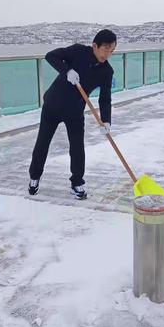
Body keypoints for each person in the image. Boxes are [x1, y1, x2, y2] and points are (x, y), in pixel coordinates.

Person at [28, 29, 117, 199]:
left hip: (75, 110)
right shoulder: (78, 52)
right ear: (94, 46)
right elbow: (50, 56)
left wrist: (106, 121)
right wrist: (67, 70)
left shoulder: (107, 71)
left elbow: (105, 98)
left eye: (111, 50)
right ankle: (34, 177)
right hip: (53, 105)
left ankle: (77, 182)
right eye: (105, 49)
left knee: (77, 147)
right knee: (43, 142)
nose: (108, 54)